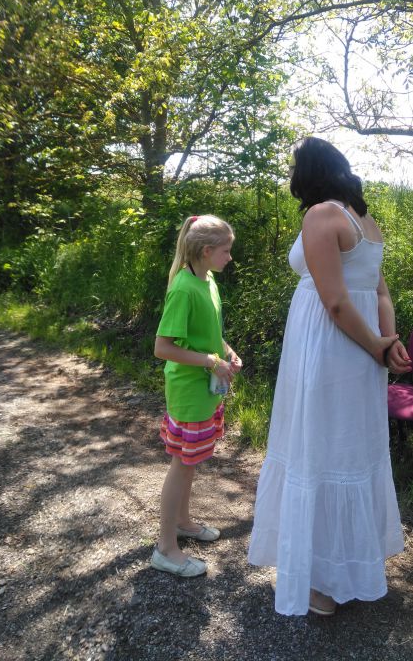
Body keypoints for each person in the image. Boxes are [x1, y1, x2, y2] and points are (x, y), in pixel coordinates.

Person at [248, 137, 411, 616]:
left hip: (329, 348)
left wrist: (379, 345)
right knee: (348, 449)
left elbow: (335, 303)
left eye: (294, 167)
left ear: (309, 172)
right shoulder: (366, 221)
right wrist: (387, 341)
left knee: (318, 448)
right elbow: (380, 294)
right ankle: (349, 569)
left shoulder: (321, 215)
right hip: (360, 348)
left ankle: (321, 584)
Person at [152, 214, 242, 578]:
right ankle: (165, 548)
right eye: (226, 251)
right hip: (188, 392)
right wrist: (210, 361)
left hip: (205, 390)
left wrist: (227, 352)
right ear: (206, 251)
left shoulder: (208, 281)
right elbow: (162, 347)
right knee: (182, 464)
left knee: (190, 462)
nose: (230, 258)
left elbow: (209, 334)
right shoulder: (184, 288)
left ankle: (184, 522)